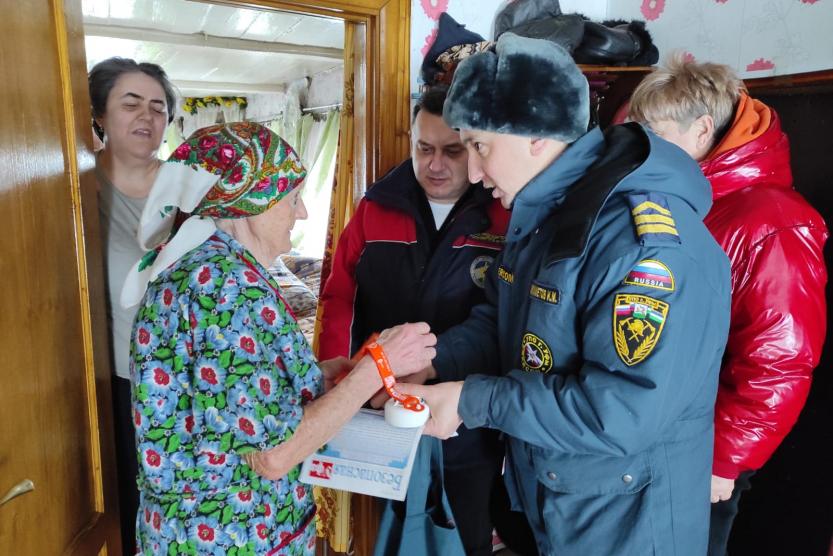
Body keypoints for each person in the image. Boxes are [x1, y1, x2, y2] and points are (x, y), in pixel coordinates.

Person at [397, 33, 733, 555]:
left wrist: (471, 399)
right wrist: (433, 360)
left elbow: (618, 412)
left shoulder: (643, 247)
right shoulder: (549, 214)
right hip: (559, 500)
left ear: (536, 135)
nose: (476, 174)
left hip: (629, 525)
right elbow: (502, 319)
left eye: (479, 147)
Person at [121, 122, 436, 555]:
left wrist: (312, 375)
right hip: (232, 540)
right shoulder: (224, 287)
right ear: (251, 203)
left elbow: (229, 400)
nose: (301, 212)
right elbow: (273, 455)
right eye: (292, 198)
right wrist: (377, 367)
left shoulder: (211, 269)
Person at [627, 55, 828, 555]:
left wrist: (725, 459)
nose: (641, 149)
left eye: (654, 134)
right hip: (660, 431)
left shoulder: (773, 220)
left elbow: (778, 359)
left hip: (708, 447)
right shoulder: (687, 199)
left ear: (701, 130)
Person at [318, 86, 509, 555]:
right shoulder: (376, 208)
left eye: (452, 151)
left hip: (465, 419)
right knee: (382, 535)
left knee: (463, 536)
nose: (435, 165)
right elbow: (339, 296)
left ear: (476, 148)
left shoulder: (503, 213)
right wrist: (338, 379)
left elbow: (504, 318)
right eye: (424, 149)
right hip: (378, 409)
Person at [89, 56, 177, 553]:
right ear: (99, 114)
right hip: (114, 381)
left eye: (158, 107)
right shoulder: (75, 186)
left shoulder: (190, 188)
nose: (147, 116)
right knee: (121, 509)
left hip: (187, 378)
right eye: (131, 104)